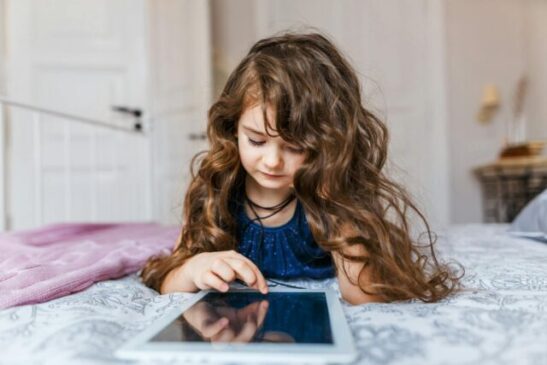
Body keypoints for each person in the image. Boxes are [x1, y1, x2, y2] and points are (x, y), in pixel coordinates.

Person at [141, 31, 463, 306]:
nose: (272, 161)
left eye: (295, 147)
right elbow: (168, 280)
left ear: (328, 145)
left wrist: (334, 201)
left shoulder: (335, 195)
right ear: (233, 128)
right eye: (256, 141)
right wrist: (194, 268)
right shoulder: (216, 187)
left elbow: (363, 296)